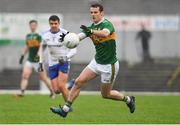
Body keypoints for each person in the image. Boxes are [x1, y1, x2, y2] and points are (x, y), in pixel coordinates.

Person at [50, 3, 135, 118]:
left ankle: (128, 99)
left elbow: (105, 33)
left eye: (95, 12)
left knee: (106, 94)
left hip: (109, 66)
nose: (93, 14)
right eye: (91, 12)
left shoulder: (107, 24)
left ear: (101, 13)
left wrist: (91, 32)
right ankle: (65, 110)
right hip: (96, 62)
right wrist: (67, 38)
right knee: (78, 82)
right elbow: (79, 36)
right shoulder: (91, 27)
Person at [38, 15, 77, 102]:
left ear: (59, 23)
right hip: (52, 63)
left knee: (61, 86)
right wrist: (40, 62)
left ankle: (67, 107)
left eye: (55, 23)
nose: (54, 25)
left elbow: (74, 50)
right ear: (49, 24)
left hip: (63, 62)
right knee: (56, 90)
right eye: (52, 23)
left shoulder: (66, 34)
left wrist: (66, 57)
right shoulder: (45, 35)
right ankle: (71, 84)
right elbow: (41, 49)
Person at [17, 20, 54, 98]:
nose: (33, 26)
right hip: (30, 60)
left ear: (36, 26)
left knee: (43, 78)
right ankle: (22, 92)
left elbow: (42, 46)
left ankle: (52, 91)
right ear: (29, 26)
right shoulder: (28, 36)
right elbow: (27, 46)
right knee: (25, 75)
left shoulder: (39, 35)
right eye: (31, 25)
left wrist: (39, 55)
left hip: (38, 61)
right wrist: (22, 55)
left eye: (34, 25)